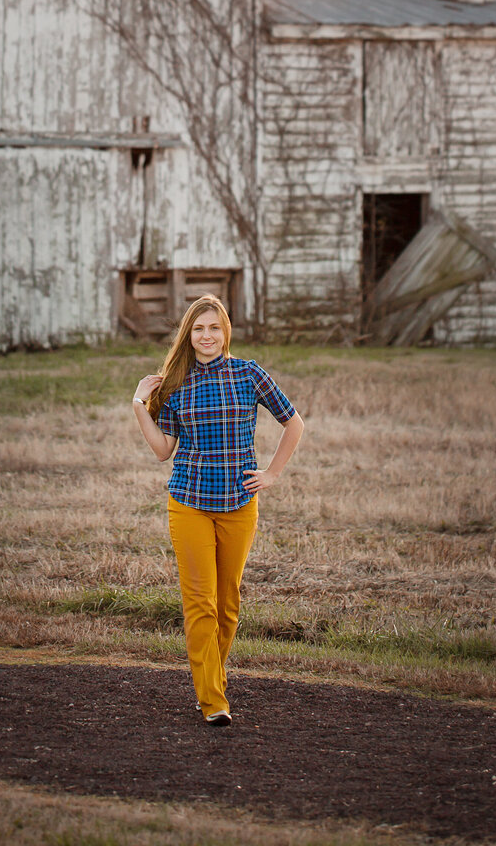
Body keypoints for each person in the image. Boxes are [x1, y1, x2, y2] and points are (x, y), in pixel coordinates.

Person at [131, 293, 304, 726]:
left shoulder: (248, 373)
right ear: (188, 335)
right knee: (200, 603)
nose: (206, 336)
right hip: (188, 502)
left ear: (225, 331)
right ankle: (213, 700)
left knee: (227, 605)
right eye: (198, 329)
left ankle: (213, 679)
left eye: (213, 328)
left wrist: (273, 474)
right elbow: (162, 451)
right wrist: (138, 406)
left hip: (239, 503)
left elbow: (293, 422)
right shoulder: (175, 383)